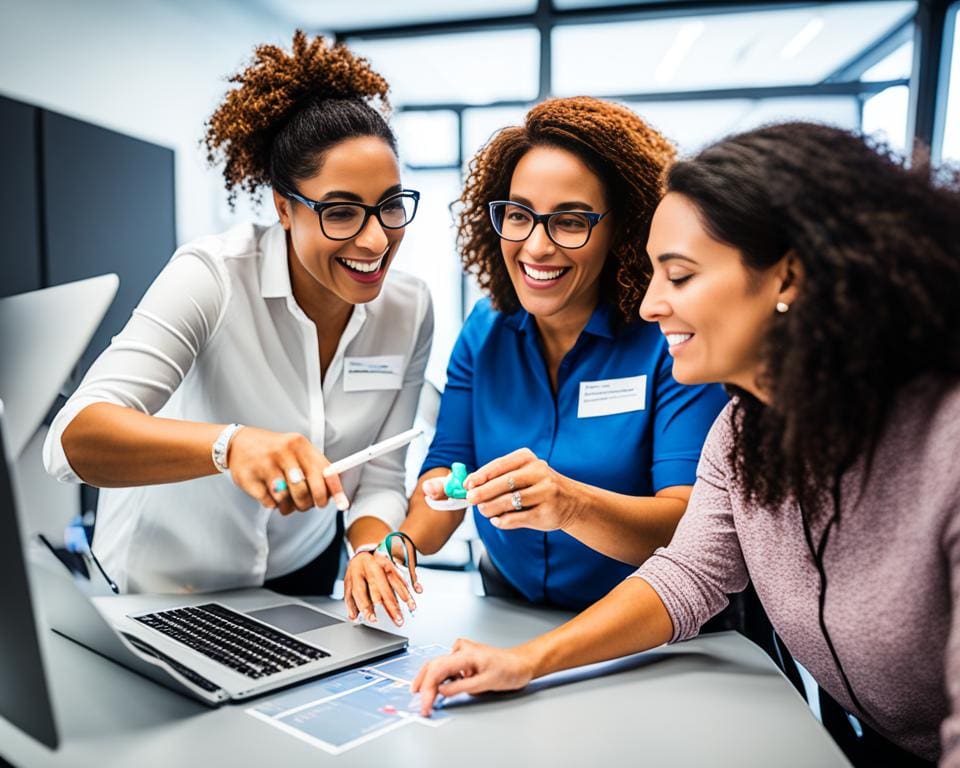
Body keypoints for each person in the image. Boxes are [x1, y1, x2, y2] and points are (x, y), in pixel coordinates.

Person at [412, 122, 960, 767]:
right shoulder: (742, 434)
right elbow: (689, 573)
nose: (648, 306)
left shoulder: (943, 445)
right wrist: (525, 660)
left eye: (679, 275)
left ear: (787, 278)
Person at [42, 32, 433, 598]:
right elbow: (72, 441)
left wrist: (370, 548)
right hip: (163, 583)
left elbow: (379, 477)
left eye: (391, 206)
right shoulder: (214, 276)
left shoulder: (410, 308)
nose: (376, 240)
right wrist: (231, 445)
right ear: (284, 207)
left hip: (301, 574)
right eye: (342, 212)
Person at [343, 97, 727, 625]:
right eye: (519, 216)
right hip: (509, 613)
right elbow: (447, 471)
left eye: (569, 222)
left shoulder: (667, 337)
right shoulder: (485, 330)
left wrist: (569, 504)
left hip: (647, 628)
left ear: (625, 228)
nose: (536, 246)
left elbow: (691, 526)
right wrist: (395, 549)